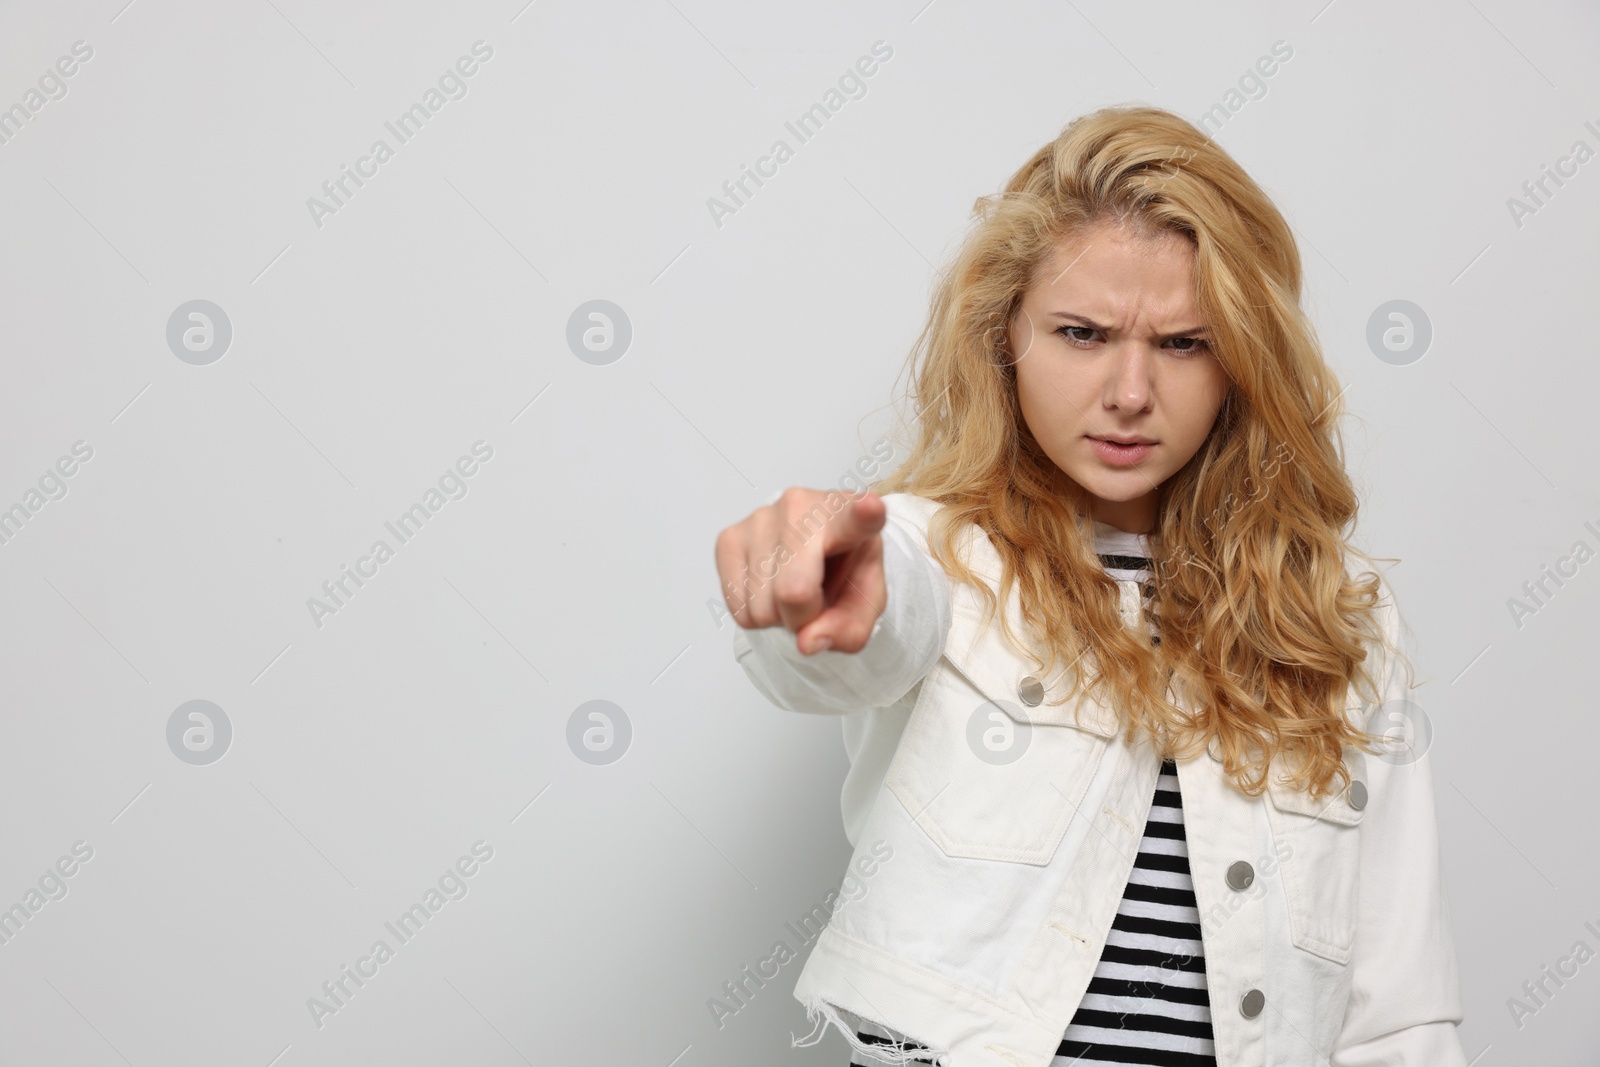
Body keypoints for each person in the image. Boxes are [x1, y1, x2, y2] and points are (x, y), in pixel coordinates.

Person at [714, 105, 1466, 1067]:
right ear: (1004, 338)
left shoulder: (1341, 612)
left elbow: (1397, 1007)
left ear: (1242, 361)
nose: (1128, 392)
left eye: (1184, 344)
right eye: (1081, 332)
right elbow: (841, 646)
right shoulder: (934, 553)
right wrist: (811, 599)